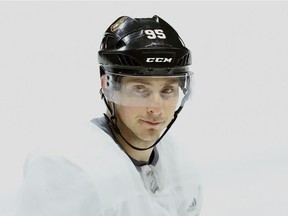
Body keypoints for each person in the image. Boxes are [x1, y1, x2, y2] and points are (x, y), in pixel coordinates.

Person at [9, 15, 202, 216]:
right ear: (108, 87)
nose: (156, 108)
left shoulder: (181, 166)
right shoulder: (68, 170)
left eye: (167, 91)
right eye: (139, 89)